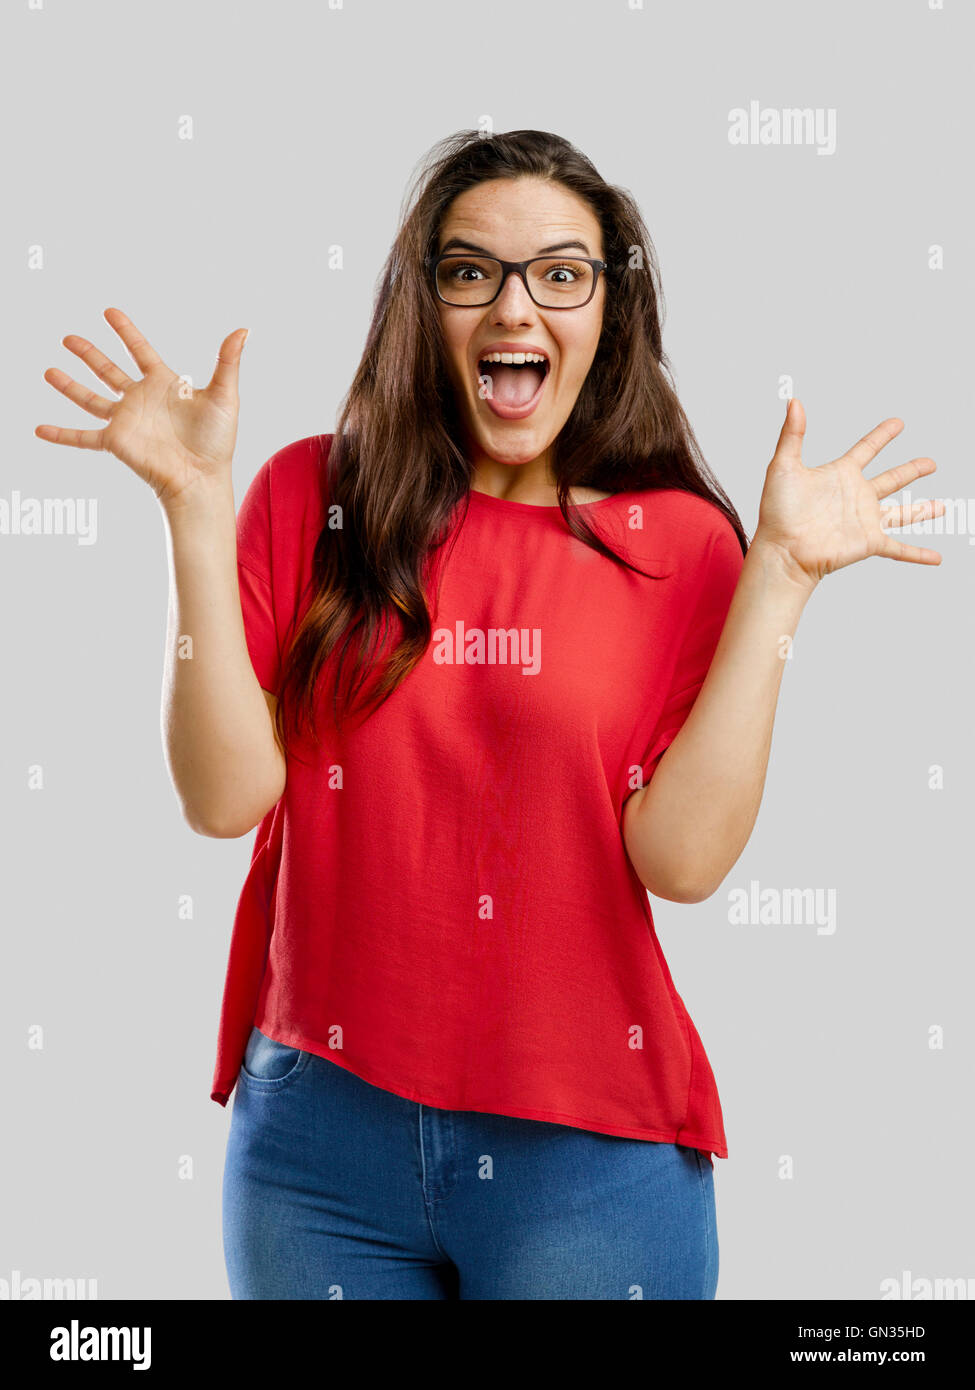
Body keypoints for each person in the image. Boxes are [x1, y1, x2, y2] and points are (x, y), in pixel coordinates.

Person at [35, 129, 942, 1301]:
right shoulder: (313, 497)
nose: (516, 308)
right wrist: (194, 507)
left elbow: (682, 860)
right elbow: (223, 798)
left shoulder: (680, 546)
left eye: (561, 274)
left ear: (610, 307)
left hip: (586, 1161)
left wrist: (782, 575)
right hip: (316, 1147)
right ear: (425, 302)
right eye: (471, 272)